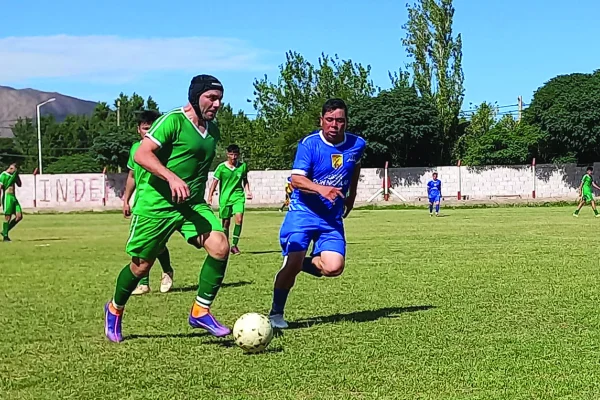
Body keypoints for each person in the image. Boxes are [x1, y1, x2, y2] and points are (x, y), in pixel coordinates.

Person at [104, 75, 231, 343]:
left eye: (220, 98)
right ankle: (115, 308)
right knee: (140, 267)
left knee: (220, 246)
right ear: (196, 96)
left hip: (191, 205)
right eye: (211, 97)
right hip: (157, 206)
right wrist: (171, 177)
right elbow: (142, 154)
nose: (217, 103)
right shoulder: (172, 121)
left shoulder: (213, 130)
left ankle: (200, 310)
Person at [268, 98, 366, 329]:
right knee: (291, 265)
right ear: (321, 120)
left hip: (331, 218)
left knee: (334, 267)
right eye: (329, 120)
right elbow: (297, 179)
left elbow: (356, 166)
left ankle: (299, 261)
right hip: (303, 212)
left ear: (346, 122)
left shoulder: (357, 144)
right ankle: (275, 314)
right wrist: (322, 189)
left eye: (340, 120)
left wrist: (350, 196)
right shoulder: (309, 145)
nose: (334, 125)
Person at [123, 110, 175, 295]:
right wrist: (126, 200)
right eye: (145, 129)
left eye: (152, 128)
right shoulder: (135, 149)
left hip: (160, 202)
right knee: (141, 244)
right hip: (142, 202)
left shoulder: (164, 149)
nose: (149, 132)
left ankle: (167, 270)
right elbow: (131, 176)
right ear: (139, 130)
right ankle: (143, 283)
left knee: (156, 243)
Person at [207, 144, 253, 255]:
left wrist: (248, 191)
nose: (233, 157)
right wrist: (210, 196)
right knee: (225, 223)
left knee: (239, 219)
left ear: (238, 155)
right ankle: (225, 245)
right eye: (231, 154)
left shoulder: (242, 166)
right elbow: (214, 182)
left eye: (235, 154)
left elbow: (244, 180)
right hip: (225, 198)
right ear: (227, 154)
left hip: (238, 197)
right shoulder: (221, 168)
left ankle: (234, 245)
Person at [0, 163, 23, 242]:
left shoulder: (13, 176)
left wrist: (17, 176)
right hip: (7, 197)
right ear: (11, 168)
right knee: (8, 217)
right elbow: (0, 188)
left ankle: (4, 231)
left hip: (14, 197)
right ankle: (5, 237)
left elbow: (19, 184)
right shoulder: (3, 175)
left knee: (19, 216)